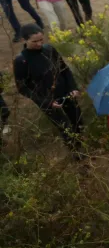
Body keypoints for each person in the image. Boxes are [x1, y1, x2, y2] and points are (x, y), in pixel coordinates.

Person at [13, 24, 82, 154]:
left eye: (41, 40)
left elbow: (65, 70)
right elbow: (23, 88)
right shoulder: (21, 61)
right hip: (48, 101)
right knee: (65, 128)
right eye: (35, 41)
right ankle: (77, 155)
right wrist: (47, 102)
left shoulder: (49, 50)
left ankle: (83, 148)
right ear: (24, 40)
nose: (39, 44)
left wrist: (73, 88)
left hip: (66, 93)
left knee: (77, 121)